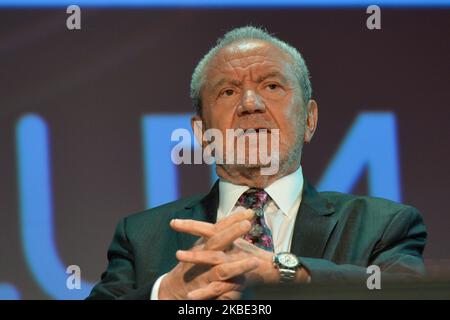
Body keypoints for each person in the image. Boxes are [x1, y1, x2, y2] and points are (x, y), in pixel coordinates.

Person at [87, 26, 427, 300]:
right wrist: (168, 294)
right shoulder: (141, 237)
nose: (250, 103)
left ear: (309, 120)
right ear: (203, 133)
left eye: (272, 85)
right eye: (229, 92)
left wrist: (284, 271)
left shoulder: (383, 226)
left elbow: (405, 293)